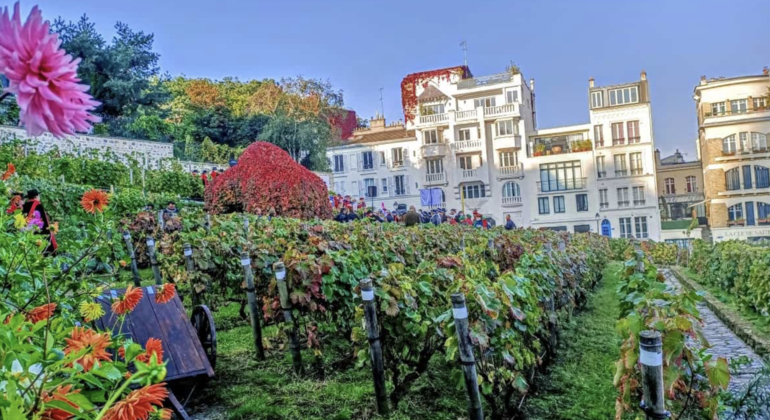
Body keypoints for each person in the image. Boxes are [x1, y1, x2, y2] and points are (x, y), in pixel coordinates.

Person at [22, 189, 56, 255]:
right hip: (38, 233)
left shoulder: (25, 205)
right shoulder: (38, 205)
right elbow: (43, 221)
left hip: (26, 231)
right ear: (36, 196)